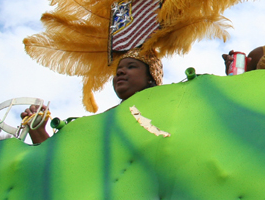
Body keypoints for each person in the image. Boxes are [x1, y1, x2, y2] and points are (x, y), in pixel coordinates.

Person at [20, 49, 163, 145]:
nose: (120, 73)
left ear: (151, 77)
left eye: (131, 67)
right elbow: (67, 164)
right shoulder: (100, 124)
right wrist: (37, 130)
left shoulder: (169, 109)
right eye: (118, 70)